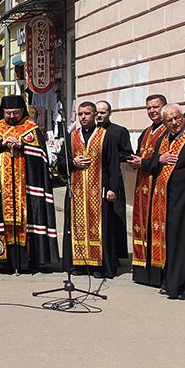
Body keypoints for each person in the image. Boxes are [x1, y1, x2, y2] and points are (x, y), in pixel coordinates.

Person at [0, 94, 58, 274]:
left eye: (15, 113)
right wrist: (1, 145)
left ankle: (29, 261)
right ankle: (2, 261)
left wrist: (23, 146)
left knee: (29, 221)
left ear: (22, 111)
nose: (11, 116)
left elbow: (42, 157)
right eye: (8, 112)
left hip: (26, 189)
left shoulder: (31, 128)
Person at [140, 104, 185, 299]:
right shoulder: (163, 139)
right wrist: (159, 159)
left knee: (184, 242)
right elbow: (151, 162)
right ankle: (171, 282)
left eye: (177, 118)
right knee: (170, 241)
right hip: (165, 200)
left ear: (183, 116)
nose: (175, 123)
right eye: (169, 120)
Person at [62, 101, 123, 278]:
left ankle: (99, 266)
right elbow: (61, 161)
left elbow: (113, 164)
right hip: (77, 190)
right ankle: (79, 264)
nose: (83, 117)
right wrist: (73, 163)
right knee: (76, 226)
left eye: (87, 114)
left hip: (100, 189)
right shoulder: (72, 136)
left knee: (101, 226)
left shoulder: (106, 136)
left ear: (95, 115)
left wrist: (113, 188)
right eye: (80, 114)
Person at [128, 94, 168, 287]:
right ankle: (143, 271)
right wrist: (135, 160)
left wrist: (143, 162)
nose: (152, 111)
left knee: (156, 229)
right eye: (149, 108)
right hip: (142, 186)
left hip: (157, 188)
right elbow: (141, 154)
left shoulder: (168, 131)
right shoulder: (146, 132)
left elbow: (165, 159)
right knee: (142, 227)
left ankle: (156, 273)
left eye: (156, 107)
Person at [95, 100, 134, 264]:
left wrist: (112, 155)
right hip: (93, 180)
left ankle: (115, 254)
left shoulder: (119, 131)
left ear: (109, 113)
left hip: (113, 179)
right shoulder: (88, 131)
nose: (99, 115)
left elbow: (128, 154)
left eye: (103, 112)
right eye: (96, 112)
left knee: (115, 216)